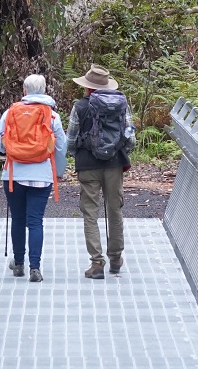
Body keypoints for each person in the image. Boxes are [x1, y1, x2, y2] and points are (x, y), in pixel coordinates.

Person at [0, 74, 67, 283]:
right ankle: (35, 267)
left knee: (18, 219)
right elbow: (61, 146)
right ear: (44, 90)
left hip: (13, 175)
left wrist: (14, 149)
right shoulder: (52, 116)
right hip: (42, 176)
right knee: (35, 221)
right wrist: (58, 171)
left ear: (24, 91)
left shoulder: (10, 113)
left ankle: (18, 264)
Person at [66, 64, 135, 279]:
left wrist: (74, 155)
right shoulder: (121, 104)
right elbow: (130, 137)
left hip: (87, 164)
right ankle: (116, 258)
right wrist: (118, 151)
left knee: (90, 212)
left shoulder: (80, 106)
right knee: (115, 209)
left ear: (87, 88)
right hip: (114, 164)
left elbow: (71, 138)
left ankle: (97, 263)